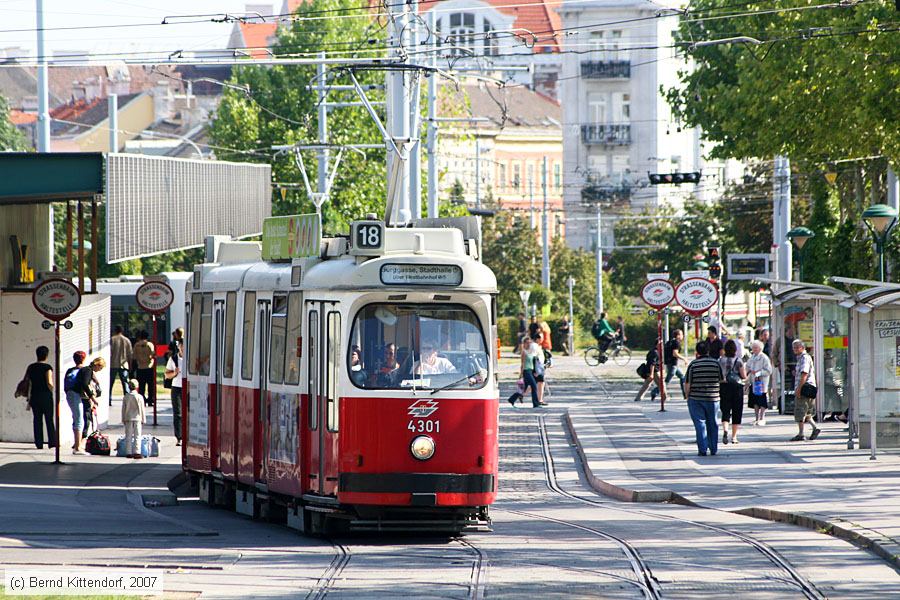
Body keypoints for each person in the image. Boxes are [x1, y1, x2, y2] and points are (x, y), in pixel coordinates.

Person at [685, 341, 723, 456]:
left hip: (696, 398)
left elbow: (687, 382)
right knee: (713, 423)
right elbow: (721, 379)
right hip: (713, 398)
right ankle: (713, 448)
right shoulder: (716, 364)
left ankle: (702, 449)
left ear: (697, 352)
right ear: (708, 350)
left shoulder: (693, 364)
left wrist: (687, 395)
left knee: (700, 424)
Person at [24, 346, 56, 450]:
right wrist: (52, 390)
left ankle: (39, 443)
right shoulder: (47, 367)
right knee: (49, 419)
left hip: (34, 396)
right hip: (45, 396)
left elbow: (28, 381)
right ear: (46, 355)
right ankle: (52, 442)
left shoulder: (31, 367)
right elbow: (49, 382)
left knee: (37, 420)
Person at [791, 339, 821, 442]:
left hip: (805, 387)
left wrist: (799, 389)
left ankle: (801, 433)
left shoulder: (804, 358)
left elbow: (804, 373)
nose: (795, 349)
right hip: (808, 387)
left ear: (802, 348)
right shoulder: (801, 358)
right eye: (794, 347)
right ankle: (815, 427)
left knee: (800, 410)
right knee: (807, 411)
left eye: (797, 347)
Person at [719, 339, 747, 445]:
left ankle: (725, 429)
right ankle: (734, 437)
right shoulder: (738, 360)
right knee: (737, 411)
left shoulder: (721, 360)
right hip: (736, 388)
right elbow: (743, 376)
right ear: (735, 349)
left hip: (724, 386)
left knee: (725, 410)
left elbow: (719, 374)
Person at [64, 351, 87, 454]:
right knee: (79, 420)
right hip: (77, 395)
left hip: (69, 394)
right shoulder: (84, 370)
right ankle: (77, 447)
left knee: (76, 418)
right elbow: (85, 384)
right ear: (83, 359)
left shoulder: (70, 370)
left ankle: (77, 445)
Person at [745, 340, 773, 426]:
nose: (754, 349)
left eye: (756, 348)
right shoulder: (752, 357)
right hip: (753, 381)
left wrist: (758, 372)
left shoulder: (764, 357)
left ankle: (762, 418)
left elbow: (769, 370)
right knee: (755, 400)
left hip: (762, 381)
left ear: (760, 348)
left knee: (762, 400)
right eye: (753, 348)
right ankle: (756, 418)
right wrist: (749, 373)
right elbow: (747, 367)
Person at [77, 357, 106, 438]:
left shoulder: (88, 370)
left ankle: (81, 439)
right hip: (84, 398)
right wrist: (93, 398)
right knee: (87, 419)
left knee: (86, 418)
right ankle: (82, 439)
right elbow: (85, 384)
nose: (100, 370)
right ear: (97, 364)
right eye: (101, 367)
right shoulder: (88, 371)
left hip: (83, 397)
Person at [653, 329, 686, 401]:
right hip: (673, 364)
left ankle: (685, 394)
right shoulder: (676, 343)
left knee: (682, 377)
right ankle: (655, 391)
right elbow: (675, 353)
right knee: (667, 380)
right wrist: (684, 359)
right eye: (681, 334)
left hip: (670, 363)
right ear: (678, 336)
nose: (682, 336)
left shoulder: (669, 342)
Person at [512, 335, 545, 408]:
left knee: (524, 388)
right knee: (534, 386)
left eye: (529, 342)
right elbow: (522, 363)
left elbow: (535, 361)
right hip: (526, 371)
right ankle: (536, 404)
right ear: (524, 343)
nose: (529, 344)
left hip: (531, 371)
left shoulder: (531, 351)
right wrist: (521, 374)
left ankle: (512, 399)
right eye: (527, 342)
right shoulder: (524, 352)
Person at [164, 343, 183, 446]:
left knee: (189, 412)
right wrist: (175, 373)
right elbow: (167, 374)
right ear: (179, 346)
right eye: (181, 346)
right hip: (177, 388)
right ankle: (179, 437)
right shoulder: (173, 359)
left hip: (189, 388)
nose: (183, 348)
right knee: (178, 414)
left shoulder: (192, 358)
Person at [121, 379, 146, 459]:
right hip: (137, 418)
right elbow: (142, 409)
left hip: (128, 418)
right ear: (137, 387)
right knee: (137, 435)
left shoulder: (126, 397)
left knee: (128, 435)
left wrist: (123, 418)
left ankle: (128, 452)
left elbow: (123, 409)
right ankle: (137, 452)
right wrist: (143, 419)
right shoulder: (139, 397)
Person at [109, 326, 132, 403]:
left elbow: (110, 352)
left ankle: (109, 399)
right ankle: (127, 400)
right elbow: (130, 354)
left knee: (111, 383)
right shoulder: (126, 340)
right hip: (124, 365)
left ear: (115, 330)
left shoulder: (112, 339)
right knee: (125, 383)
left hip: (113, 364)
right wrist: (130, 365)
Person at [132, 330, 156, 406]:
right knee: (150, 385)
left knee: (141, 386)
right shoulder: (149, 344)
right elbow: (153, 354)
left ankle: (142, 400)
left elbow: (134, 357)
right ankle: (150, 399)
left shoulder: (136, 345)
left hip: (140, 367)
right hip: (149, 367)